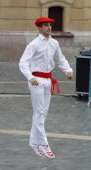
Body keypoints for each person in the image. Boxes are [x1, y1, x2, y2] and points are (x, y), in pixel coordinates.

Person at [19, 17, 73, 158]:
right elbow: (23, 63)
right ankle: (43, 144)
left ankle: (33, 143)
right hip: (36, 81)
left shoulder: (54, 43)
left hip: (48, 81)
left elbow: (60, 59)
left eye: (50, 25)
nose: (49, 27)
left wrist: (68, 69)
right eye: (46, 25)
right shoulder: (34, 44)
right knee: (40, 112)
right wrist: (30, 78)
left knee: (42, 113)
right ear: (39, 28)